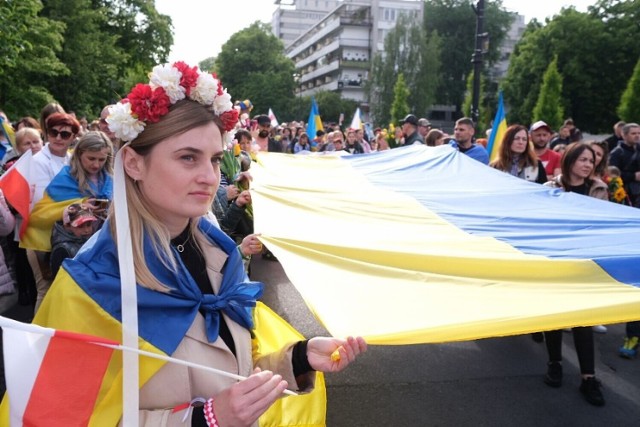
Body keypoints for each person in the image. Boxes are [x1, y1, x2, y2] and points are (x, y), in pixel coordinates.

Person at [25, 61, 367, 425]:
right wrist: (203, 420)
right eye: (188, 157)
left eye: (215, 159)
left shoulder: (221, 256)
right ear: (133, 163)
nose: (209, 176)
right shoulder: (91, 284)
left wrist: (295, 359)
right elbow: (59, 417)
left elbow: (235, 372)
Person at [542, 142, 608, 406]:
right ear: (569, 160)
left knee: (584, 319)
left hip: (586, 262)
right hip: (555, 261)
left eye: (591, 161)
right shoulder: (549, 189)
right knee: (554, 316)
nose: (587, 165)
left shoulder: (600, 189)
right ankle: (555, 363)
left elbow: (604, 225)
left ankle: (588, 378)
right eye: (582, 160)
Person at [22, 130, 113, 313]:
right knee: (47, 292)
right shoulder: (66, 177)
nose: (96, 164)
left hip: (88, 246)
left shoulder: (109, 178)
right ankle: (38, 339)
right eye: (91, 158)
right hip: (48, 245)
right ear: (79, 154)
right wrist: (78, 206)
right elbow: (40, 214)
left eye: (101, 159)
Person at [49, 202, 98, 277]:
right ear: (67, 226)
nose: (87, 230)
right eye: (80, 226)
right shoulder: (61, 250)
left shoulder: (91, 239)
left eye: (89, 225)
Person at [609, 123, 640, 207]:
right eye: (633, 133)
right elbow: (612, 176)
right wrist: (633, 176)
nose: (637, 136)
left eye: (639, 133)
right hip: (627, 194)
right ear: (624, 135)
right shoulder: (617, 153)